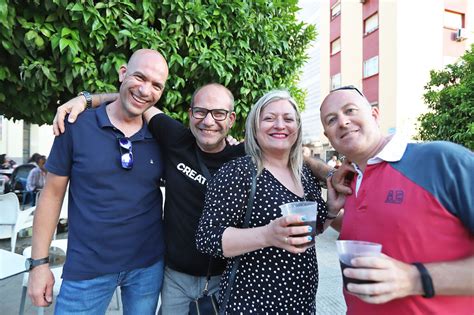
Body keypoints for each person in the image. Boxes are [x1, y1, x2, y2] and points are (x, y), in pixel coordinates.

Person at [53, 84, 349, 314]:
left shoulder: (244, 153)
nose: (209, 121)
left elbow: (286, 149)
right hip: (176, 276)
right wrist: (86, 99)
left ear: (232, 120)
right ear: (190, 114)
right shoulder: (176, 138)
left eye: (219, 113)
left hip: (226, 278)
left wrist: (327, 175)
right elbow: (137, 100)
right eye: (200, 112)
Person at [28, 49, 169, 314]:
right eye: (140, 77)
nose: (146, 90)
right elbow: (52, 195)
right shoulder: (76, 125)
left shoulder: (161, 134)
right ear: (123, 74)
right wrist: (39, 264)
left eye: (156, 85)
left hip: (147, 268)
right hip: (87, 270)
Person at [320, 85, 474, 314]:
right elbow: (381, 227)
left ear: (374, 115)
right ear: (328, 136)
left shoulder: (442, 161)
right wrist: (331, 210)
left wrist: (413, 278)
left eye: (350, 110)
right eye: (331, 120)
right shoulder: (349, 181)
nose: (342, 122)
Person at [196, 90, 345, 313]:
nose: (279, 125)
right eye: (269, 118)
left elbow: (309, 232)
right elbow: (207, 238)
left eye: (288, 119)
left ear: (297, 127)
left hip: (301, 303)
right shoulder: (238, 172)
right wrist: (267, 235)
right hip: (251, 305)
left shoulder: (303, 173)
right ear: (255, 127)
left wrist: (331, 211)